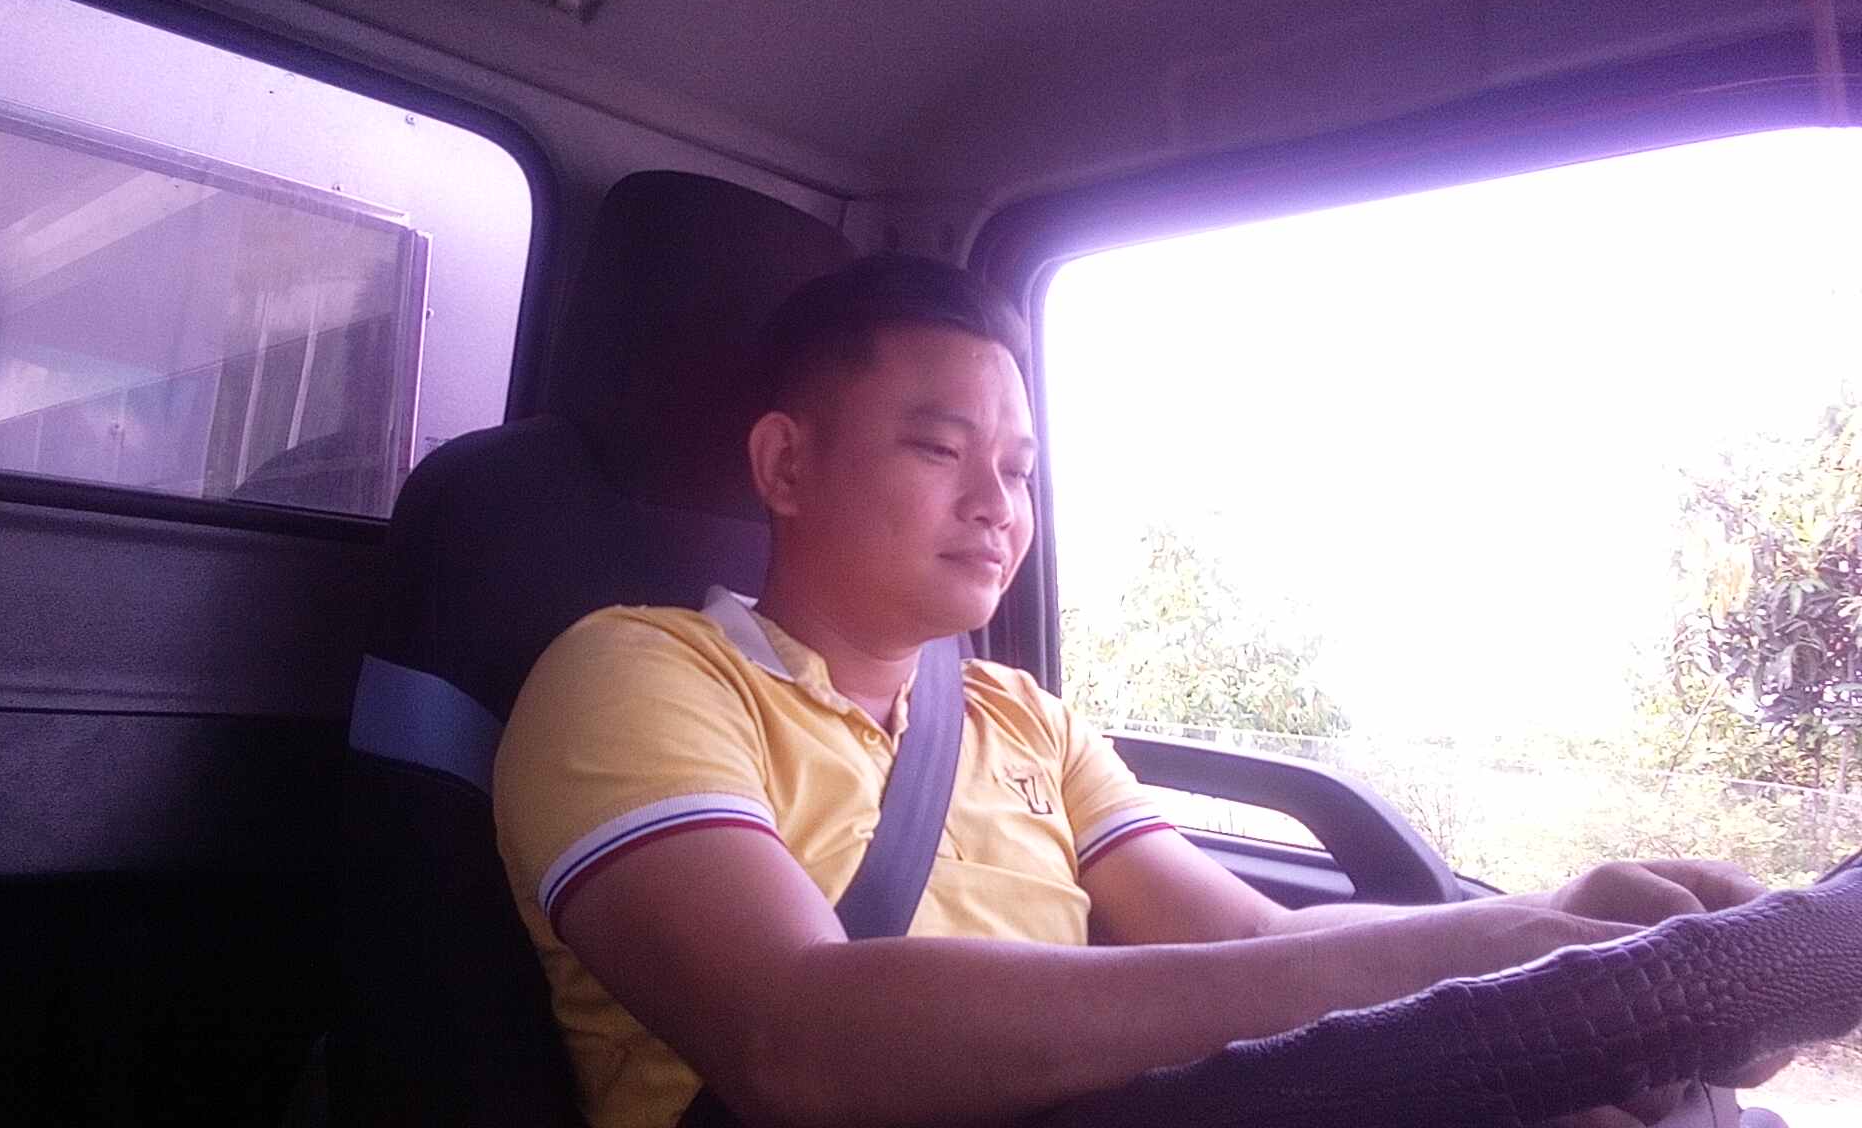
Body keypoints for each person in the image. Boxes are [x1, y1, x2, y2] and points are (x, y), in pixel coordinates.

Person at [493, 254, 1789, 1128]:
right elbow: (798, 1039)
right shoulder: (639, 672)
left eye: (1020, 469)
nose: (998, 503)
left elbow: (1245, 940)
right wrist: (1480, 956)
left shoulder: (1027, 719)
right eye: (940, 449)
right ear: (786, 465)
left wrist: (1557, 935)